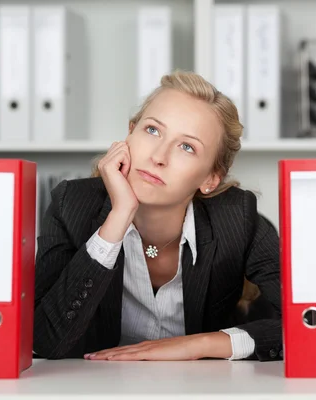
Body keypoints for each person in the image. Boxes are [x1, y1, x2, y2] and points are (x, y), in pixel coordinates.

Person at [33, 70, 282, 362]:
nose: (159, 156)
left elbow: (310, 323)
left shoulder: (238, 217)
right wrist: (118, 218)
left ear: (211, 178)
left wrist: (196, 345)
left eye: (187, 147)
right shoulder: (71, 204)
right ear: (130, 133)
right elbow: (44, 339)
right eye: (152, 130)